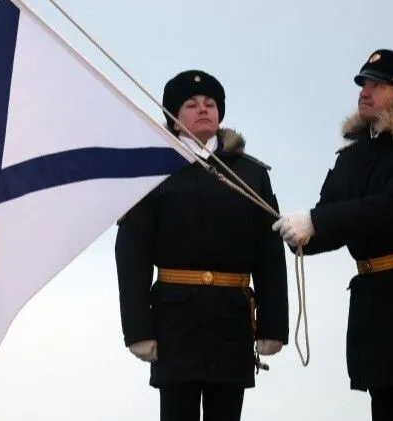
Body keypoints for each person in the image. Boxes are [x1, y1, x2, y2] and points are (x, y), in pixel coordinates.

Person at [272, 49, 393, 421]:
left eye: (378, 85)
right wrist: (299, 235)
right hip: (376, 310)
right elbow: (333, 218)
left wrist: (316, 221)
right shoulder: (354, 157)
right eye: (364, 84)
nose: (364, 92)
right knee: (385, 411)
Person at [115, 69, 289, 421]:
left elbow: (269, 252)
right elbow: (131, 253)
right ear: (173, 117)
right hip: (174, 321)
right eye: (191, 104)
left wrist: (274, 326)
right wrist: (136, 330)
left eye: (210, 104)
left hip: (232, 319)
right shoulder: (154, 171)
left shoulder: (250, 175)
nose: (203, 109)